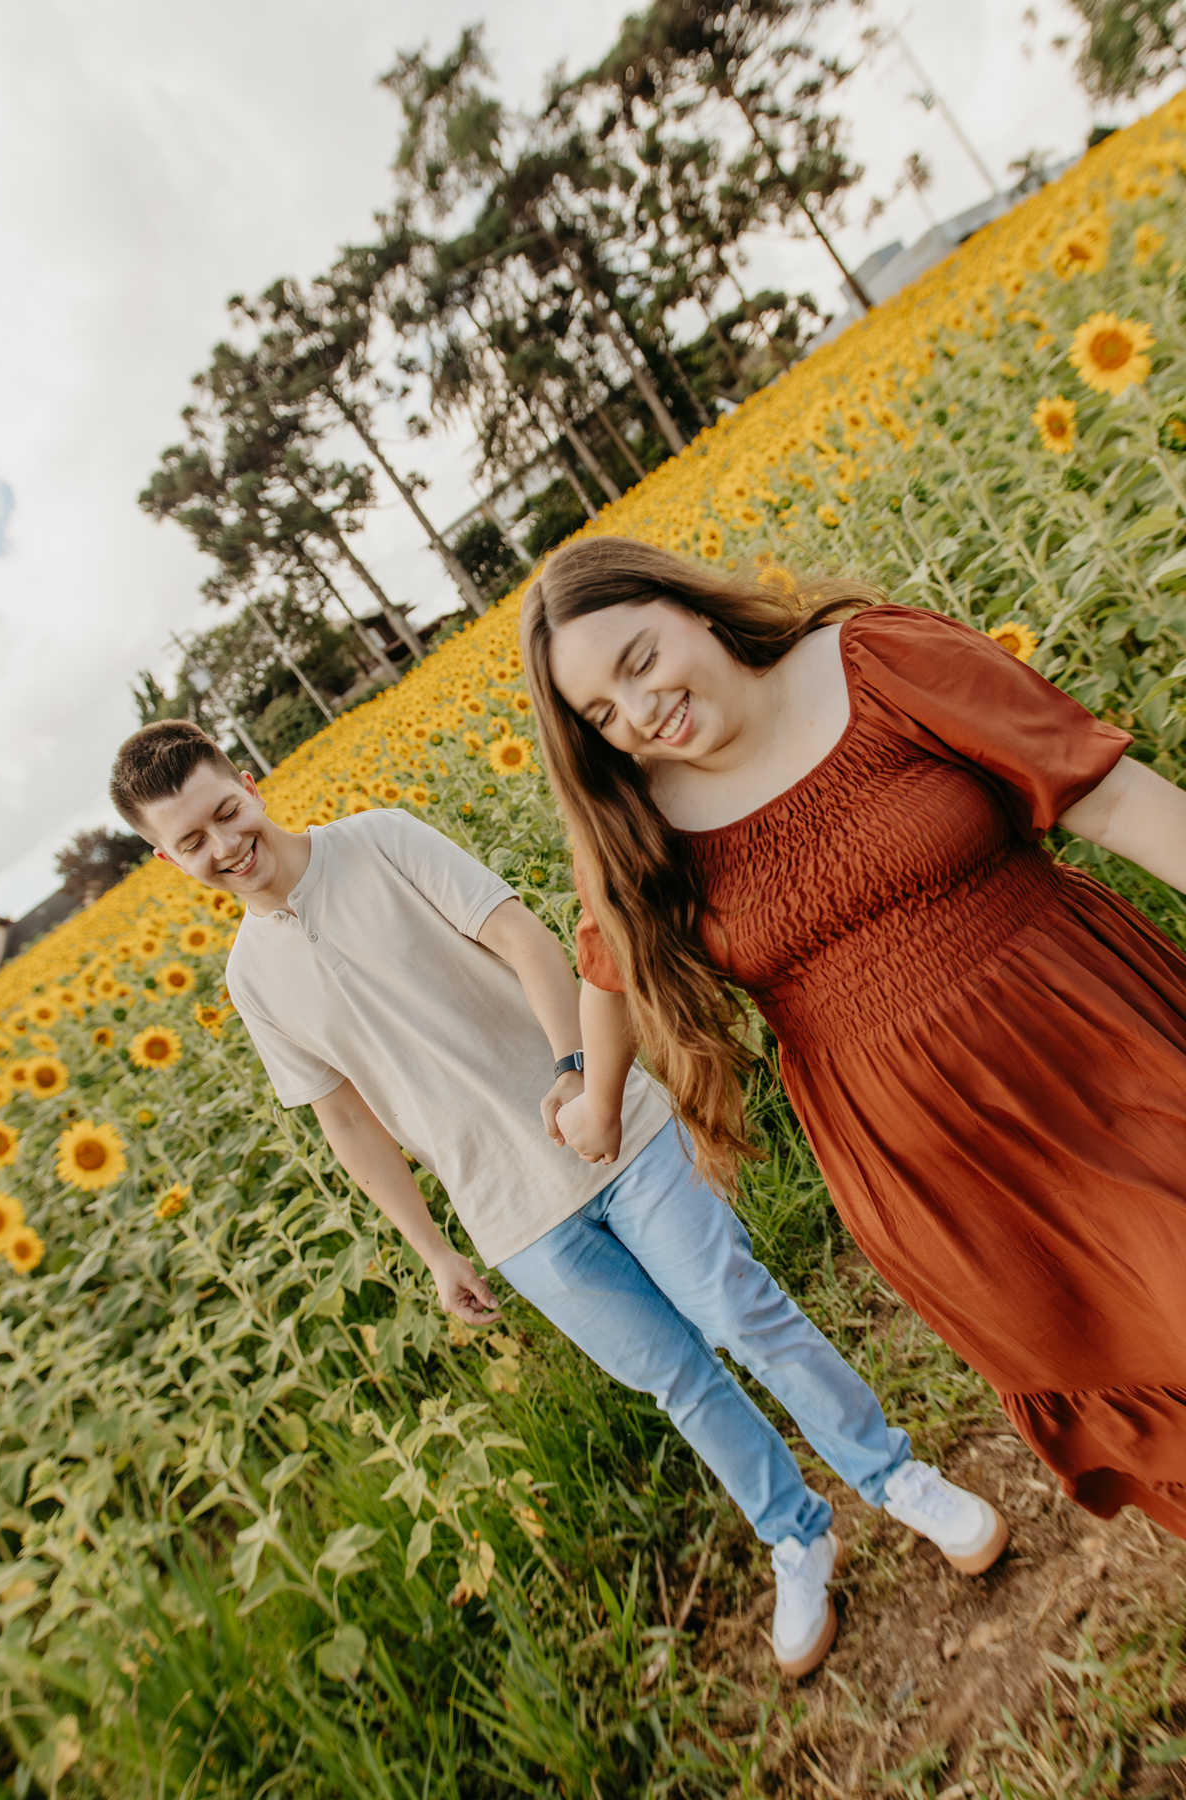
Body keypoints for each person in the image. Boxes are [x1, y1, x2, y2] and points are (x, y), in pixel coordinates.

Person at [108, 719, 1005, 1677]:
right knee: (677, 1382)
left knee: (739, 1309)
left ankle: (895, 1477)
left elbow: (525, 939)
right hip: (511, 1213)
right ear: (166, 860)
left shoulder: (379, 840)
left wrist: (578, 1073)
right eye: (192, 840)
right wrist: (433, 1251)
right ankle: (796, 1534)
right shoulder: (251, 979)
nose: (224, 844)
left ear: (249, 782)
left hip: (612, 1127)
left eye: (226, 811)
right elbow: (347, 1121)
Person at [521, 535, 1186, 1545]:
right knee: (1129, 1368)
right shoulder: (640, 827)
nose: (640, 711)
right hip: (933, 1167)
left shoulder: (877, 661)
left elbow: (1114, 797)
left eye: (640, 661)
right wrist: (597, 1098)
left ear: (688, 605)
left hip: (1088, 1043)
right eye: (604, 715)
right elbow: (607, 967)